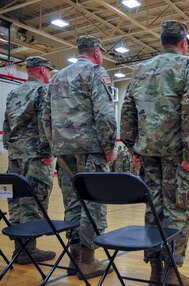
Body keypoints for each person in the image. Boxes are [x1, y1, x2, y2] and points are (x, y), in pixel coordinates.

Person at [120, 20, 189, 286]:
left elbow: (127, 110)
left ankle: (156, 270)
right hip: (177, 156)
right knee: (178, 209)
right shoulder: (188, 65)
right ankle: (172, 273)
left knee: (153, 209)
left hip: (148, 155)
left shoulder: (140, 69)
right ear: (183, 44)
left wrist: (133, 146)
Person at [45, 35, 117, 279]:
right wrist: (109, 147)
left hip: (63, 150)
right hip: (89, 149)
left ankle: (74, 259)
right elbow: (105, 114)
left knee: (72, 202)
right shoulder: (96, 72)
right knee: (93, 204)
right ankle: (88, 260)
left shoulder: (56, 77)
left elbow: (45, 117)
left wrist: (53, 144)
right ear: (96, 52)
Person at [2, 56, 56, 264]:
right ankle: (29, 250)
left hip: (15, 155)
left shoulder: (14, 92)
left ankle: (19, 249)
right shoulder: (42, 90)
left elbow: (6, 122)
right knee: (35, 199)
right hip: (35, 156)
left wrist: (10, 147)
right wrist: (46, 151)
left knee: (15, 199)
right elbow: (45, 122)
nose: (49, 75)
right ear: (42, 70)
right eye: (49, 71)